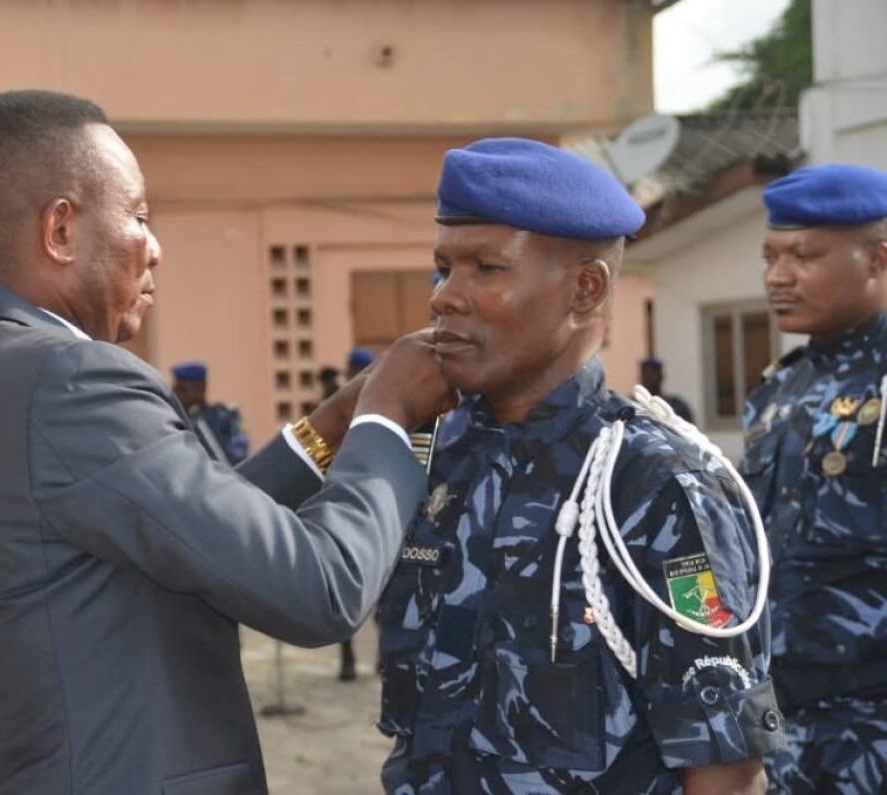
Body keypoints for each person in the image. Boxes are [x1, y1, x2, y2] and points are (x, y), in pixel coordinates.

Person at [0, 89, 454, 795]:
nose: (154, 247)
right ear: (60, 230)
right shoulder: (67, 379)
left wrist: (333, 424)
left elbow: (186, 531)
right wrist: (388, 420)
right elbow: (318, 588)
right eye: (139, 216)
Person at [377, 138, 783, 793]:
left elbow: (727, 772)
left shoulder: (656, 485)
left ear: (585, 289)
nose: (445, 297)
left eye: (485, 268)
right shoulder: (437, 462)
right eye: (442, 267)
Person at [741, 163, 887, 793]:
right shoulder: (777, 388)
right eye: (770, 256)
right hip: (786, 722)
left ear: (877, 259)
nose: (778, 276)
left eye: (803, 256)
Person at [338, 347, 376, 682]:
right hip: (345, 507)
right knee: (345, 589)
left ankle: (382, 656)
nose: (351, 375)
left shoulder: (389, 406)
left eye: (357, 370)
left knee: (385, 594)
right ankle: (347, 659)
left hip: (379, 508)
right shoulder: (341, 405)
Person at [170, 362, 249, 465]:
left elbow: (239, 452)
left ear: (199, 388)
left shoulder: (224, 416)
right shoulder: (176, 419)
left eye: (181, 389)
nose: (176, 394)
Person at [638, 357, 694, 423]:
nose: (649, 379)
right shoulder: (635, 404)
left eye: (652, 374)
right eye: (646, 375)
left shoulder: (677, 405)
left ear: (660, 376)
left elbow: (687, 429)